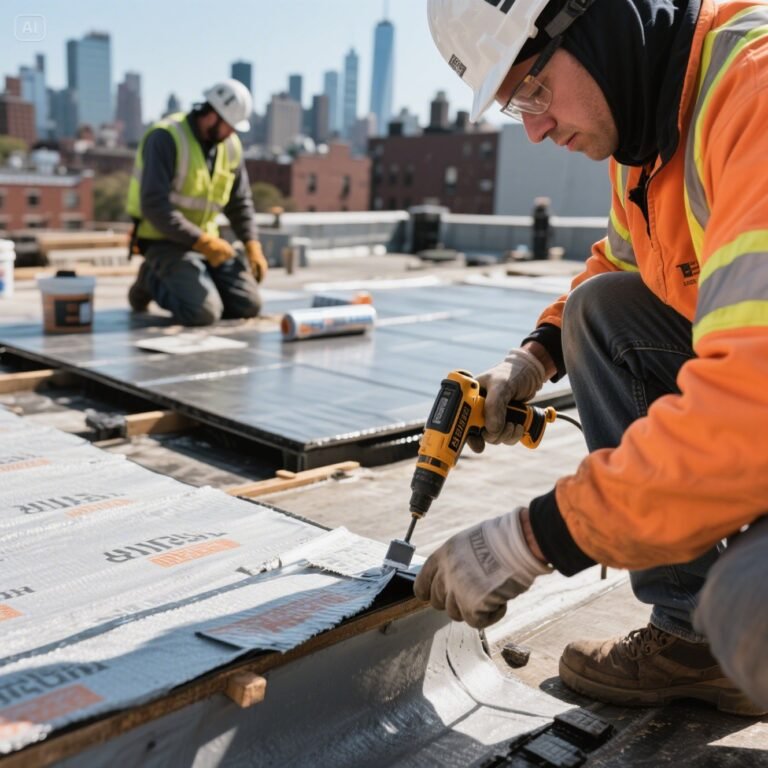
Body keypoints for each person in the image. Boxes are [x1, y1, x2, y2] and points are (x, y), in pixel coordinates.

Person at [416, 0, 768, 716]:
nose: (538, 129)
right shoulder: (649, 125)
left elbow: (753, 405)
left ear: (602, 21)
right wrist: (534, 358)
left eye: (534, 91)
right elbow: (623, 259)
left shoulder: (753, 90)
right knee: (600, 309)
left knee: (754, 603)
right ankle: (689, 643)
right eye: (518, 106)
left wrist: (535, 537)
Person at [126, 79, 268, 326]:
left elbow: (240, 202)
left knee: (248, 305)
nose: (232, 133)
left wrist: (251, 243)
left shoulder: (230, 146)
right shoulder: (166, 137)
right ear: (212, 115)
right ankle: (151, 277)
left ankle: (190, 278)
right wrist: (202, 242)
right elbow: (154, 206)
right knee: (203, 313)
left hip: (206, 242)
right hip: (163, 240)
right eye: (229, 126)